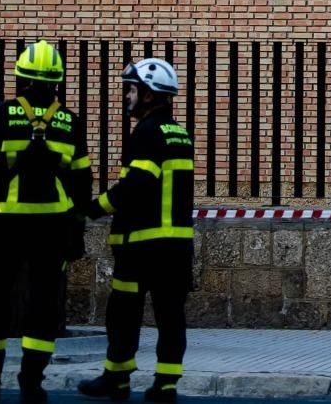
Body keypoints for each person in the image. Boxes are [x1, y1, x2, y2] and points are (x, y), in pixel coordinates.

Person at [0, 39, 92, 402]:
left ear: (20, 77)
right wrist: (78, 230)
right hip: (54, 227)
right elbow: (82, 181)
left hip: (7, 225)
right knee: (44, 303)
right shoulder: (70, 123)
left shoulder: (2, 114)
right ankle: (32, 383)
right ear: (58, 81)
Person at [78, 57, 196, 403]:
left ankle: (116, 378)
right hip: (176, 246)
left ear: (148, 95)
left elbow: (137, 185)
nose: (126, 96)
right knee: (171, 314)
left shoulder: (145, 133)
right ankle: (167, 383)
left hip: (143, 246)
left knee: (123, 313)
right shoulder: (179, 133)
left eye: (131, 89)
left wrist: (95, 208)